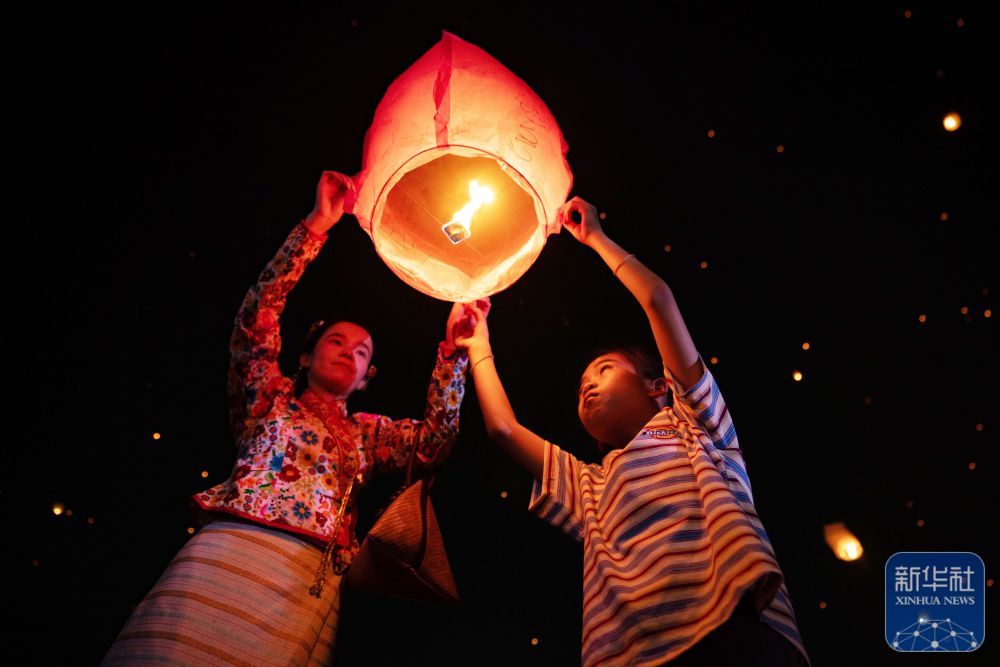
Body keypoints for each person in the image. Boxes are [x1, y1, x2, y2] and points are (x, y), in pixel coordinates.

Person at [103, 171, 479, 665]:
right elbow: (255, 317)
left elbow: (436, 441)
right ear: (305, 357)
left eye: (361, 352)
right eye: (336, 341)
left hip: (306, 575)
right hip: (231, 548)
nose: (348, 352)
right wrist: (315, 227)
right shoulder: (269, 397)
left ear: (365, 379)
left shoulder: (366, 434)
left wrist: (454, 351)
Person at [455, 196, 810, 666]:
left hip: (739, 626)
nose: (587, 384)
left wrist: (597, 239)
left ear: (658, 385)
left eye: (604, 369)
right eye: (582, 385)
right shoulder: (588, 485)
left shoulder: (694, 423)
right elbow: (503, 429)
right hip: (637, 656)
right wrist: (476, 344)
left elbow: (658, 299)